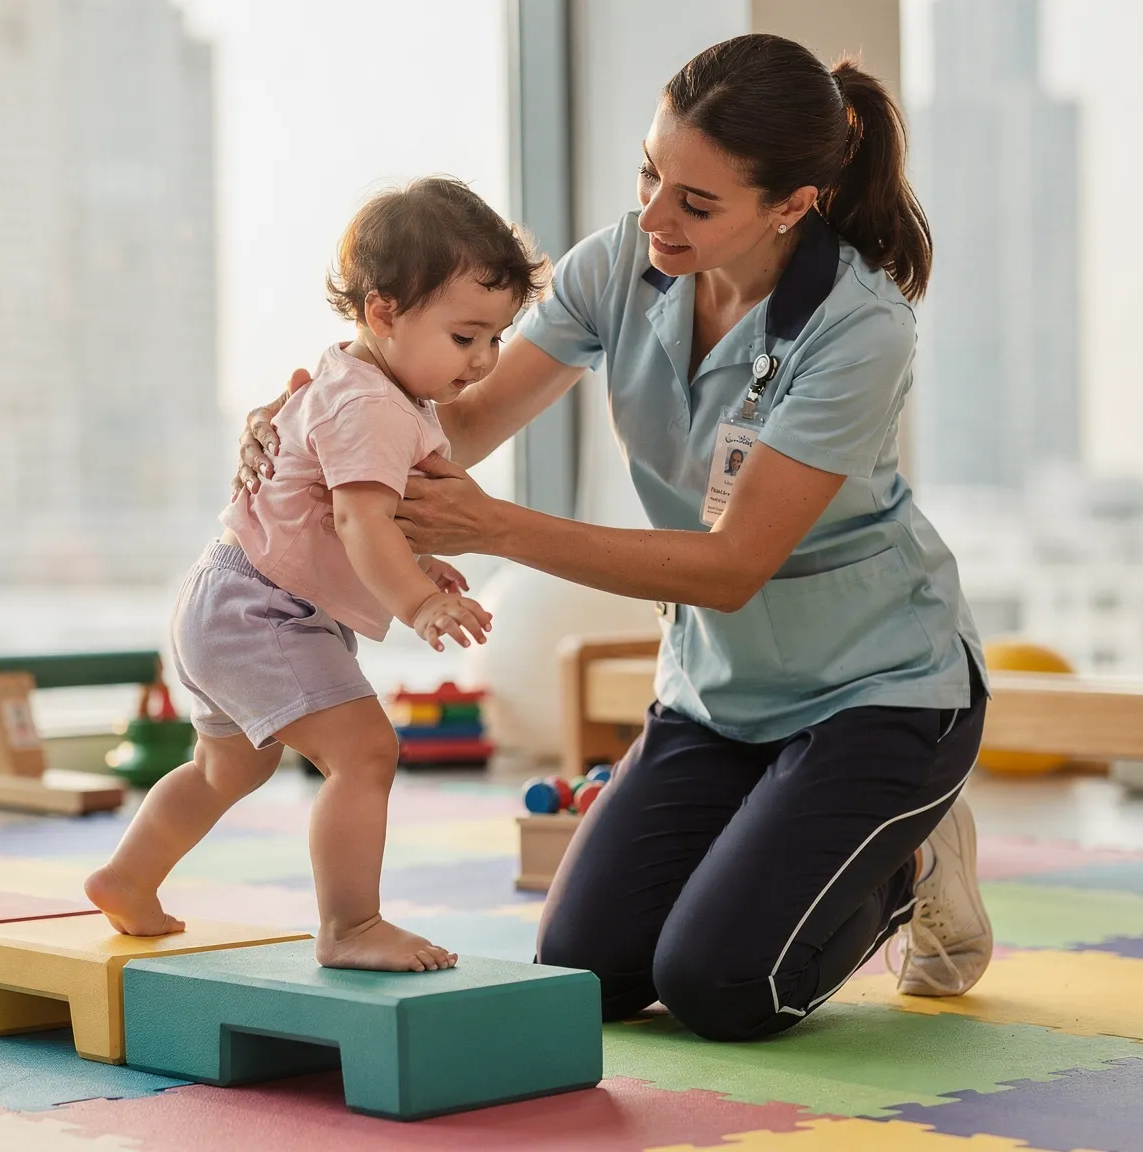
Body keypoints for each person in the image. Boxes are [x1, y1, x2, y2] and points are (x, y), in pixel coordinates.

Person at [233, 35, 990, 1038]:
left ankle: (907, 860)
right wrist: (320, 418)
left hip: (875, 688)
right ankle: (809, 839)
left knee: (724, 986)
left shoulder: (857, 327)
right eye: (648, 174)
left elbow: (731, 567)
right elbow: (450, 426)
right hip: (717, 689)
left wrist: (495, 528)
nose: (652, 217)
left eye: (694, 202)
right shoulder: (620, 266)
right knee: (590, 968)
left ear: (789, 205)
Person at [89, 177, 545, 973]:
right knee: (365, 753)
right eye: (466, 336)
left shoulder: (372, 387)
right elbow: (358, 522)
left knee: (227, 765)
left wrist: (423, 566)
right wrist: (416, 605)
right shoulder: (369, 405)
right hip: (259, 610)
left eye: (497, 338)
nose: (484, 362)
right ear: (382, 312)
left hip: (229, 600)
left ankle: (127, 878)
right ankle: (351, 924)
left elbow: (364, 520)